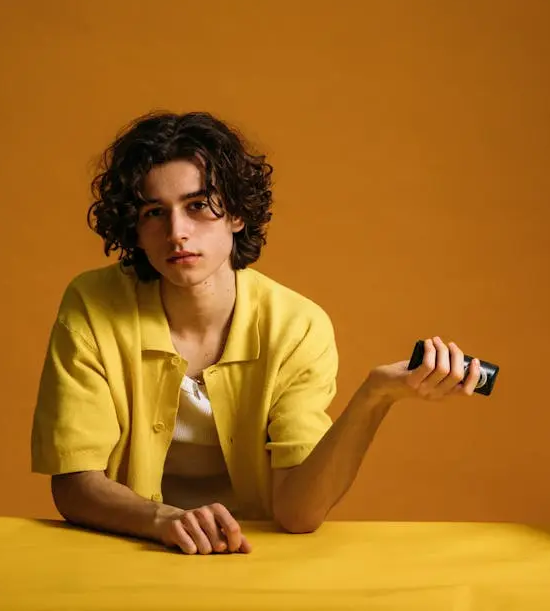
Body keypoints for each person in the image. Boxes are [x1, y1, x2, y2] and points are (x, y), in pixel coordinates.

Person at [30, 111, 484, 555]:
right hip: (129, 552)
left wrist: (374, 397)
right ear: (136, 229)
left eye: (197, 205)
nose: (177, 233)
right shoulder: (92, 304)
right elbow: (74, 484)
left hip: (252, 559)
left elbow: (298, 514)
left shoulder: (297, 326)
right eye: (154, 212)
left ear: (236, 214)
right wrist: (164, 521)